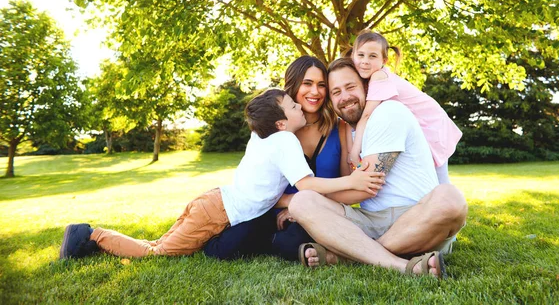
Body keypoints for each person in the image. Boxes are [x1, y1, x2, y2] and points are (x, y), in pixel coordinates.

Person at [59, 89, 384, 259]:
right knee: (157, 252)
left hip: (213, 203)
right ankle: (89, 235)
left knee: (159, 243)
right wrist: (352, 181)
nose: (300, 106)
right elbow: (307, 184)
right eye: (292, 106)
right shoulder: (284, 140)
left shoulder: (265, 135)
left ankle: (90, 240)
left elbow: (274, 182)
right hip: (215, 212)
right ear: (282, 123)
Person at [289, 58, 468, 279]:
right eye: (336, 92)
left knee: (450, 198)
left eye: (350, 87)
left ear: (366, 87)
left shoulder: (388, 112)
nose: (345, 97)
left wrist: (317, 188)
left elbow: (365, 189)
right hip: (370, 220)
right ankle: (399, 264)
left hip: (418, 218)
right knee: (301, 201)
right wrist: (305, 197)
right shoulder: (349, 132)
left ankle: (348, 255)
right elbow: (349, 191)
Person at [203, 56, 355, 261]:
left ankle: (304, 246)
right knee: (224, 249)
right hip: (274, 211)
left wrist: (303, 208)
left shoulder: (340, 127)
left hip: (321, 211)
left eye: (321, 85)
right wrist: (291, 204)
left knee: (290, 242)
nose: (315, 92)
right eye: (307, 83)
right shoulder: (270, 129)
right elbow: (256, 188)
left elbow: (345, 187)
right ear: (293, 85)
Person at [346, 29, 462, 185]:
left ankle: (451, 205)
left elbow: (367, 116)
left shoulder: (379, 76)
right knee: (432, 181)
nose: (365, 61)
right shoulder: (372, 78)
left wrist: (354, 151)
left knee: (439, 182)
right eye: (360, 55)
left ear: (384, 61)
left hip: (431, 124)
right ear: (353, 55)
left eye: (372, 56)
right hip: (428, 121)